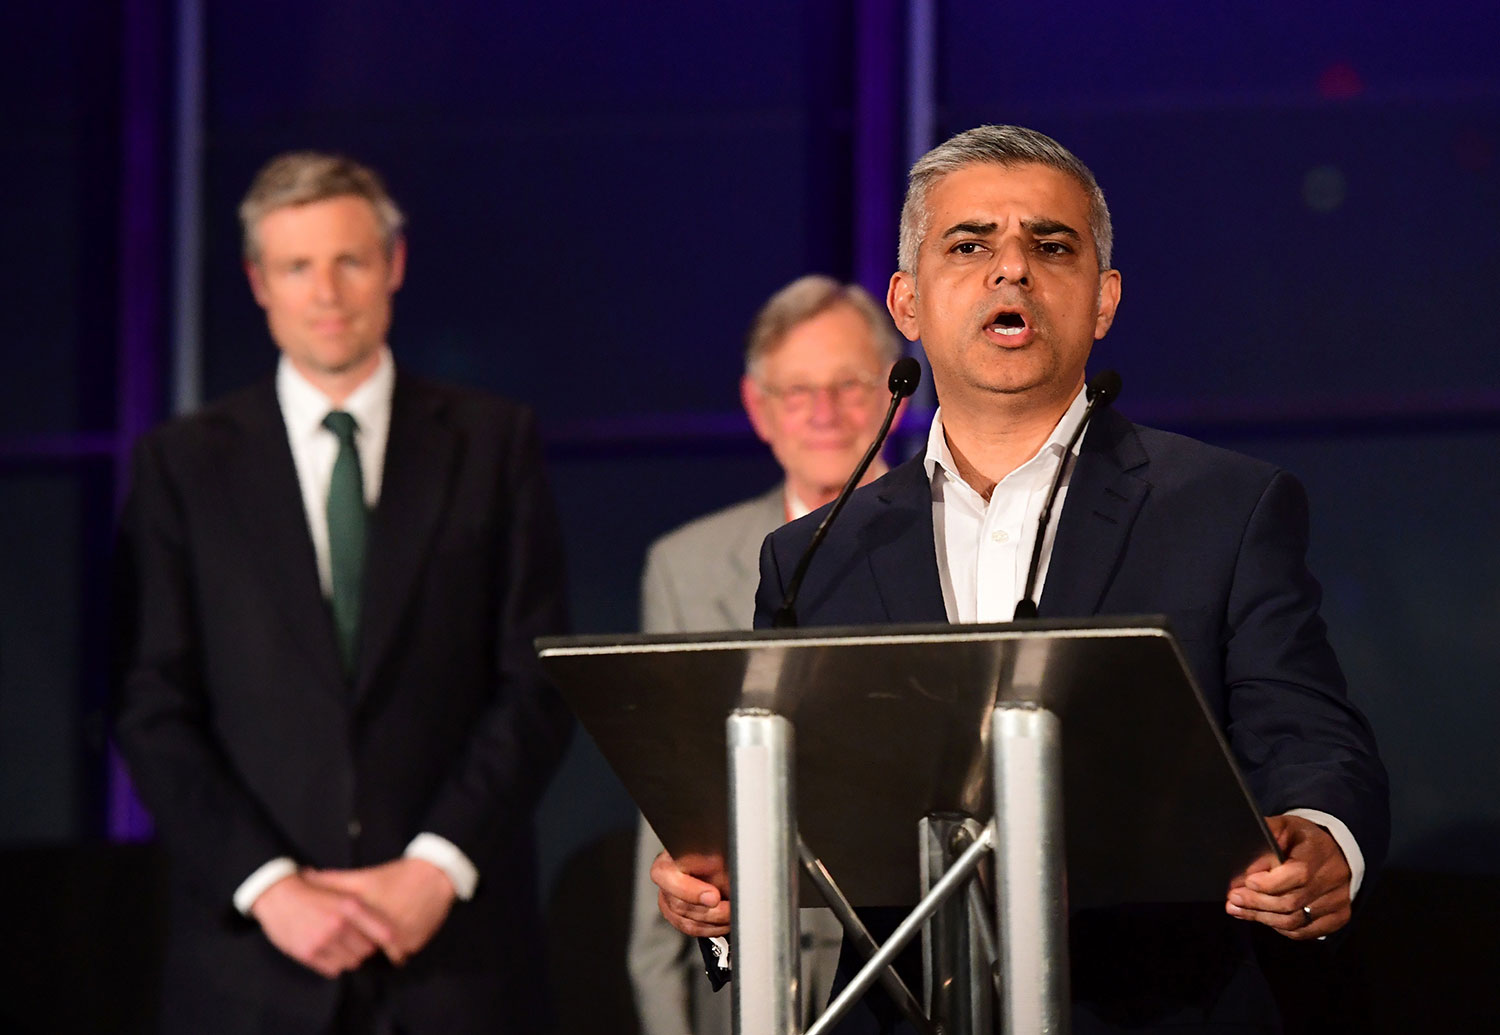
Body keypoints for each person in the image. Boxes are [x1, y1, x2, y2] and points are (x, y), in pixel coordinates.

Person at [651, 125, 1389, 1032]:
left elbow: (1311, 733)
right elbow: (770, 816)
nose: (1012, 271)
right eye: (969, 245)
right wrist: (723, 889)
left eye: (1050, 245)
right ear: (908, 303)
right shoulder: (815, 552)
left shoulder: (1227, 506)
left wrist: (1321, 838)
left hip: (1158, 1005)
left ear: (1104, 298)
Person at [113, 152, 572, 1034]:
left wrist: (436, 865)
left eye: (349, 260)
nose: (325, 291)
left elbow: (536, 679)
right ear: (258, 282)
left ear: (392, 266)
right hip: (251, 966)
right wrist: (271, 886)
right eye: (296, 266)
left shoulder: (491, 442)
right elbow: (150, 704)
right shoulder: (181, 466)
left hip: (456, 957)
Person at [628, 275, 906, 1034]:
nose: (824, 414)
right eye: (796, 391)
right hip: (748, 976)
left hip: (919, 962)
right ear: (757, 409)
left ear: (895, 394)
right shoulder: (684, 566)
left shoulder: (948, 545)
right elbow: (667, 819)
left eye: (849, 386)